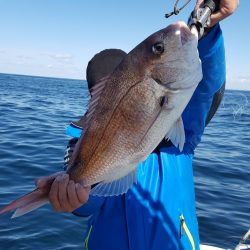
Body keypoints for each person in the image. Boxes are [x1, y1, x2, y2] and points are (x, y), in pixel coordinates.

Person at [37, 1, 239, 249]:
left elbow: (206, 88)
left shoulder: (180, 140)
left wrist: (208, 27)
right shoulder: (81, 145)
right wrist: (70, 199)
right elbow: (89, 202)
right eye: (105, 98)